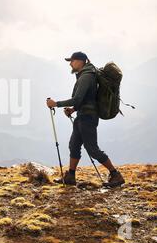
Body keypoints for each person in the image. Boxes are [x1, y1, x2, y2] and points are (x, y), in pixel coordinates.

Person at [46, 52, 125, 187]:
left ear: (81, 61)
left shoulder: (86, 76)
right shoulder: (86, 75)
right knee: (74, 145)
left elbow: (77, 99)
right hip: (83, 116)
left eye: (72, 61)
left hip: (87, 118)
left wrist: (56, 104)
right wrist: (73, 110)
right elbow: (86, 99)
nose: (70, 64)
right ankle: (71, 176)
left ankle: (115, 175)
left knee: (92, 148)